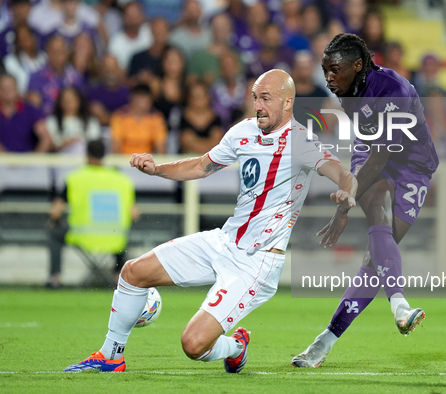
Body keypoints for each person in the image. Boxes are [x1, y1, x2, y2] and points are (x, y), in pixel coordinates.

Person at [64, 69, 357, 373]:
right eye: (255, 97)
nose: (257, 105)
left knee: (193, 344)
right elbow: (201, 166)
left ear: (287, 103)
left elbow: (341, 173)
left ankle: (235, 346)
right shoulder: (243, 131)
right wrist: (157, 169)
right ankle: (111, 355)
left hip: (257, 262)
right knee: (132, 272)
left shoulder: (302, 141)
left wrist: (345, 200)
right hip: (225, 241)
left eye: (265, 98)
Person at [291, 33, 439, 368]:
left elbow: (383, 157)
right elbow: (371, 149)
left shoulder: (394, 90)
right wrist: (350, 199)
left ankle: (324, 341)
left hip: (412, 166)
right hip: (370, 151)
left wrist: (345, 203)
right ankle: (399, 305)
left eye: (335, 71)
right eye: (325, 70)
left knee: (375, 263)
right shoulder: (347, 88)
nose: (328, 78)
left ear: (358, 66)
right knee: (375, 203)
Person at [47, 139, 138, 289]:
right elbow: (134, 214)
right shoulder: (123, 180)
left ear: (87, 155)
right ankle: (119, 277)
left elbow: (55, 212)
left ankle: (55, 278)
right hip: (115, 238)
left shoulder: (74, 178)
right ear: (104, 155)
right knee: (124, 236)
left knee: (54, 234)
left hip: (81, 236)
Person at [0, 73, 51, 152]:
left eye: (10, 88)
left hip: (27, 159)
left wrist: (35, 159)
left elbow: (46, 138)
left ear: (17, 90)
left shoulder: (30, 110)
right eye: (3, 88)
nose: (7, 92)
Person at [110, 83, 167, 155]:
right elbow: (116, 147)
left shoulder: (157, 118)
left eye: (146, 99)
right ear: (133, 99)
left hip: (147, 161)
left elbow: (161, 148)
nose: (144, 103)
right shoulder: (120, 116)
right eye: (141, 98)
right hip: (124, 160)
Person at [46, 86, 101, 154]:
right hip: (60, 158)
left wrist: (78, 141)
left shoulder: (90, 120)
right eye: (64, 100)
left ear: (79, 101)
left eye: (71, 99)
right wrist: (68, 143)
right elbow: (51, 146)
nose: (68, 103)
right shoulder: (52, 120)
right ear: (60, 102)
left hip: (84, 158)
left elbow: (94, 143)